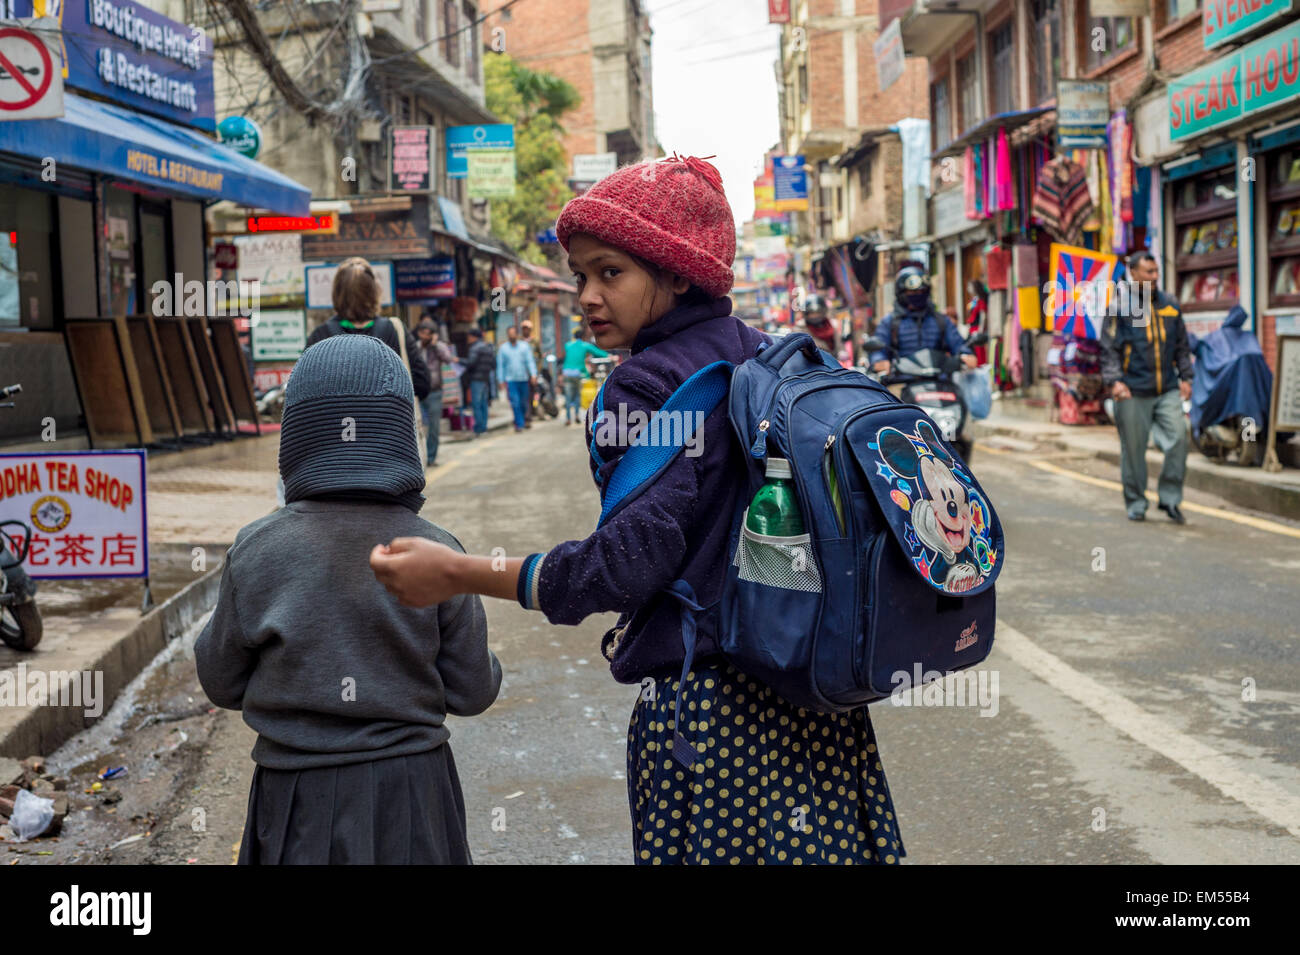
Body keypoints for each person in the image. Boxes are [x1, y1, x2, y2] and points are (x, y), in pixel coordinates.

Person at [370, 153, 906, 866]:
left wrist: (459, 572)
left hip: (717, 728)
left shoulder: (645, 387)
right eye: (582, 273)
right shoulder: (771, 360)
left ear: (678, 273)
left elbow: (624, 565)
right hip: (818, 705)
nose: (587, 294)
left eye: (610, 272)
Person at [195, 334, 501, 864]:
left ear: (295, 438)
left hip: (293, 800)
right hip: (413, 798)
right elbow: (474, 690)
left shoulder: (257, 550)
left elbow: (219, 679)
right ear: (402, 433)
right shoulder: (436, 551)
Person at [1100, 251, 1194, 523]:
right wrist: (1115, 381)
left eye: (1156, 272)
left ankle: (1170, 499)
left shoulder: (1170, 305)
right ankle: (1136, 502)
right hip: (1132, 390)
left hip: (1166, 388)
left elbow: (1182, 347)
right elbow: (1109, 349)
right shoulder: (1120, 305)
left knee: (1178, 439)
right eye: (1149, 272)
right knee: (1134, 450)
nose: (1155, 277)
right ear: (1133, 273)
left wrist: (1186, 377)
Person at [304, 257, 431, 401]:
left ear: (337, 294)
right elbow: (422, 385)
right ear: (374, 292)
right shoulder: (393, 330)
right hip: (384, 422)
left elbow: (302, 389)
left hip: (335, 421)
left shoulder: (320, 336)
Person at [871, 265, 978, 372]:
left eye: (922, 292)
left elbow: (957, 343)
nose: (918, 295)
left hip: (939, 380)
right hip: (902, 381)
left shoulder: (940, 320)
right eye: (913, 292)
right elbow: (879, 348)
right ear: (901, 293)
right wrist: (880, 361)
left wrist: (966, 354)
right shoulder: (889, 322)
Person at [416, 317, 455, 466]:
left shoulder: (438, 347)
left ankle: (431, 457)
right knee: (418, 427)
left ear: (433, 335)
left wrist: (435, 346)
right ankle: (419, 458)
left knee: (434, 426)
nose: (424, 336)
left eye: (428, 334)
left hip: (434, 392)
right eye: (422, 333)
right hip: (418, 393)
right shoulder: (416, 347)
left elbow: (448, 359)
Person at [560, 325, 609, 426]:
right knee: (577, 395)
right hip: (577, 374)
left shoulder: (568, 345)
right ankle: (577, 416)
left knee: (568, 397)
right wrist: (609, 356)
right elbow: (597, 352)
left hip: (566, 373)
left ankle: (568, 418)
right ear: (582, 337)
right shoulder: (584, 345)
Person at [496, 324, 537, 432]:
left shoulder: (524, 346)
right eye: (510, 334)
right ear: (507, 335)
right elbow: (500, 365)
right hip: (510, 380)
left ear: (517, 334)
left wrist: (533, 374)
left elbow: (530, 361)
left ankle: (523, 419)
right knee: (515, 402)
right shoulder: (503, 349)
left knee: (524, 402)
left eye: (513, 333)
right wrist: (500, 380)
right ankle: (519, 424)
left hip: (523, 379)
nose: (512, 336)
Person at [462, 326, 495, 436]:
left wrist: (459, 360)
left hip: (476, 379)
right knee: (483, 404)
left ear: (473, 337)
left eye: (469, 336)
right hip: (486, 379)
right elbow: (493, 364)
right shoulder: (487, 347)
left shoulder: (474, 348)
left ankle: (479, 428)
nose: (467, 339)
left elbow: (471, 363)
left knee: (476, 404)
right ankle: (484, 427)